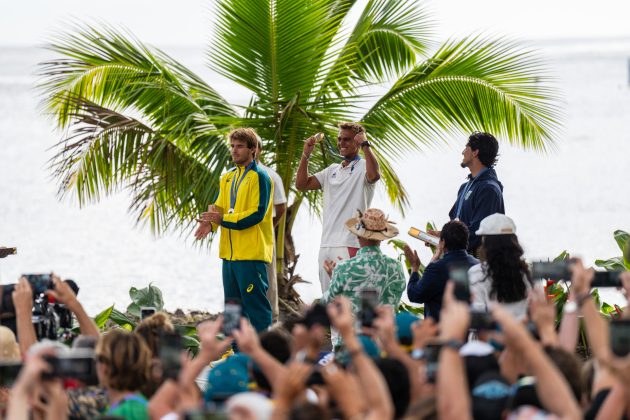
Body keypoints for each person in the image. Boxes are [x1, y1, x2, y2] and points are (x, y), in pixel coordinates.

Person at [195, 128, 274, 332]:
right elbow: (219, 207)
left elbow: (257, 214)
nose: (234, 151)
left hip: (250, 255)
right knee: (231, 308)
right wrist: (210, 223)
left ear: (253, 149)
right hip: (229, 256)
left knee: (255, 308)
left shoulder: (260, 177)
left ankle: (262, 353)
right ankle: (236, 351)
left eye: (240, 146)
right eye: (232, 146)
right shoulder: (227, 177)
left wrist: (223, 220)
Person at [296, 122, 381, 295]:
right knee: (331, 304)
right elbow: (301, 184)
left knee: (350, 304)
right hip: (326, 245)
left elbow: (374, 175)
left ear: (358, 142)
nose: (341, 143)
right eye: (339, 139)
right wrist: (306, 154)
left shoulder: (365, 166)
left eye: (347, 140)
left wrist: (366, 144)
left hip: (350, 243)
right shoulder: (331, 170)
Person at [322, 208, 406, 323]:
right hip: (385, 335)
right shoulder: (396, 267)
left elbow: (329, 302)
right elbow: (394, 300)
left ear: (358, 235)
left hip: (351, 337)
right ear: (382, 238)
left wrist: (334, 277)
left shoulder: (343, 268)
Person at [439, 132, 504, 256]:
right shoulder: (465, 187)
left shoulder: (489, 189)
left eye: (466, 148)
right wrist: (441, 236)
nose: (463, 152)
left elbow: (479, 232)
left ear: (475, 152)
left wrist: (449, 243)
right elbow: (458, 227)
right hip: (461, 259)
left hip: (477, 265)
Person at [405, 220, 479, 321]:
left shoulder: (437, 268)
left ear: (443, 242)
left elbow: (414, 295)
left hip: (443, 332)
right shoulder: (479, 265)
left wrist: (415, 268)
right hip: (471, 331)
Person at [468, 213, 533, 319]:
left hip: (489, 334)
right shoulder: (527, 273)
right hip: (522, 333)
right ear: (514, 242)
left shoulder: (477, 273)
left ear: (486, 243)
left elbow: (478, 316)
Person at [255, 137, 287, 322]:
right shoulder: (232, 175)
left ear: (259, 149)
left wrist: (269, 226)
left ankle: (272, 319)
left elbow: (281, 206)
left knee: (268, 277)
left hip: (264, 235)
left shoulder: (271, 176)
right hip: (242, 237)